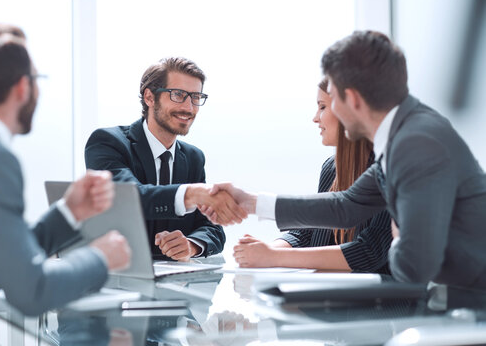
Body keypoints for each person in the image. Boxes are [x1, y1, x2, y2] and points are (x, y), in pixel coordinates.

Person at [204, 31, 486, 290]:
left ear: (352, 98)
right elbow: (347, 205)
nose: (328, 111)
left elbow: (413, 266)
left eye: (333, 99)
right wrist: (249, 202)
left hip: (469, 311)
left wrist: (399, 235)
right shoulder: (406, 134)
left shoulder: (416, 143)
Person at [0, 24, 131, 345]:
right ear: (22, 87)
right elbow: (31, 290)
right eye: (37, 80)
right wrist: (100, 257)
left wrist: (70, 211)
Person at [85, 57, 246, 261]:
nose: (189, 108)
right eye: (178, 95)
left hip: (176, 285)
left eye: (196, 97)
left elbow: (212, 228)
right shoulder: (108, 142)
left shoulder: (193, 157)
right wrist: (193, 193)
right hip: (118, 280)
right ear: (150, 97)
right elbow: (129, 198)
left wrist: (191, 245)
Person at [233, 78, 392, 272]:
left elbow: (369, 252)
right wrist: (265, 250)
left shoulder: (389, 167)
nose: (315, 118)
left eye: (322, 107)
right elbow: (309, 234)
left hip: (382, 297)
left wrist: (272, 256)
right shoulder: (331, 168)